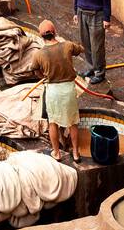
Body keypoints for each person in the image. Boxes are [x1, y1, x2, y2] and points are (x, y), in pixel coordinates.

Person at [30, 20, 85, 162]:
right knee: (73, 122)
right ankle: (76, 154)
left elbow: (35, 71)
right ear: (55, 33)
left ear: (41, 36)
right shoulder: (67, 45)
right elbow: (80, 49)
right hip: (68, 89)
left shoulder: (39, 54)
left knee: (52, 123)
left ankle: (56, 153)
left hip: (52, 90)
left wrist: (44, 77)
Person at [72, 0, 111, 85]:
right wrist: (75, 12)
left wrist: (106, 18)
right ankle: (90, 68)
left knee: (97, 46)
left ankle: (99, 72)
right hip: (81, 12)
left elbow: (106, 0)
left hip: (96, 15)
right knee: (86, 43)